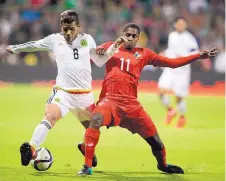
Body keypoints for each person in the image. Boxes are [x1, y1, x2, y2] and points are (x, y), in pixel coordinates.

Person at [77, 23, 217, 176]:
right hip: (110, 101)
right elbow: (90, 58)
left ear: (138, 38)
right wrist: (95, 52)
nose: (130, 38)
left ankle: (163, 165)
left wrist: (198, 56)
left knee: (156, 142)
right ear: (122, 34)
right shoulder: (110, 46)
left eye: (133, 36)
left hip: (132, 106)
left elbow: (171, 63)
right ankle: (87, 166)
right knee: (95, 119)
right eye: (127, 34)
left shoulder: (144, 54)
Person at [6, 10, 118, 168]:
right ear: (61, 27)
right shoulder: (54, 40)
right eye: (65, 28)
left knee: (94, 129)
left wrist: (111, 50)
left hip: (84, 96)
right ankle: (30, 149)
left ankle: (85, 148)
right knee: (50, 116)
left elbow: (99, 61)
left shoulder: (88, 39)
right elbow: (35, 45)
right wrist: (15, 48)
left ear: (79, 26)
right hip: (63, 93)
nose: (68, 32)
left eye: (72, 28)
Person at [158, 17, 211, 128]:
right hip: (170, 67)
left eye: (183, 24)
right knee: (161, 91)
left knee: (179, 96)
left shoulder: (189, 38)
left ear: (185, 25)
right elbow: (171, 49)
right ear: (175, 24)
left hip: (182, 70)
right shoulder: (171, 36)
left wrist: (185, 57)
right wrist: (164, 53)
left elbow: (195, 52)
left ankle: (182, 118)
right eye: (179, 23)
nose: (181, 25)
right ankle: (171, 110)